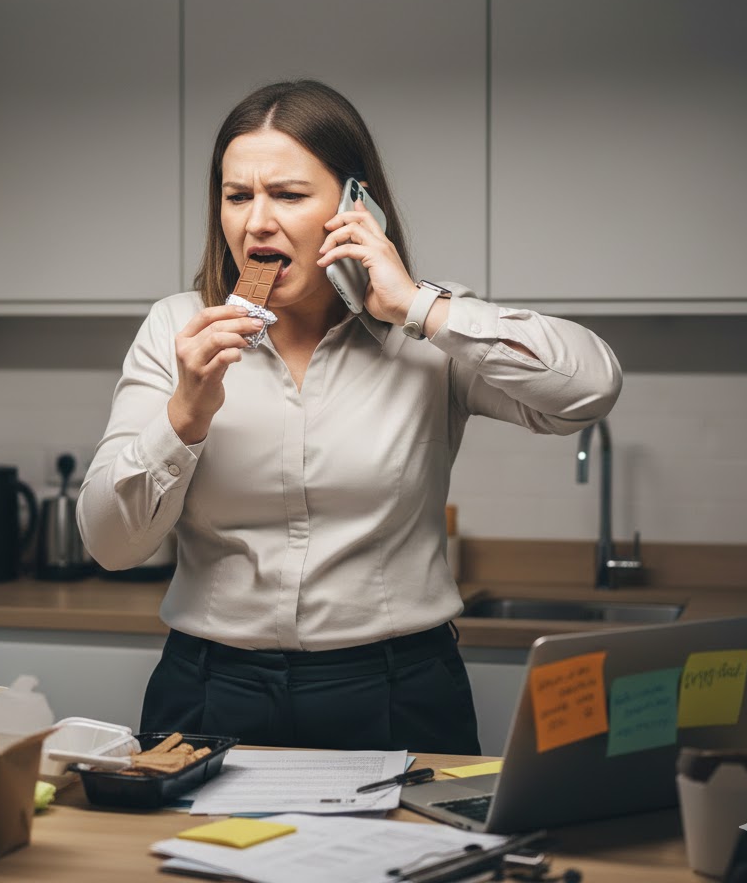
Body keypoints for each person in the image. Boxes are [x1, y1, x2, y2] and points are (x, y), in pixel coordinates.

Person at [77, 79, 622, 755]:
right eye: (237, 196)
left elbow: (591, 387)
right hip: (212, 687)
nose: (256, 224)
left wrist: (419, 308)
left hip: (399, 690)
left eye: (289, 195)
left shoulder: (426, 333)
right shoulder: (177, 329)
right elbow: (108, 544)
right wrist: (185, 412)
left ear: (356, 207)